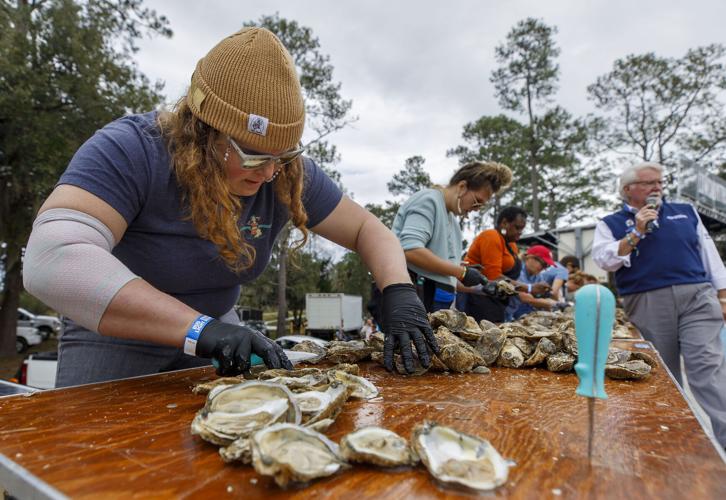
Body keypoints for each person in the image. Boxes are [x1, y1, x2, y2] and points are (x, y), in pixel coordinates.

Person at [22, 27, 438, 384]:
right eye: (254, 155)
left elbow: (369, 229)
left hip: (222, 334)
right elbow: (52, 258)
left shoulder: (285, 173)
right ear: (203, 130)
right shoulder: (131, 150)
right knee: (94, 466)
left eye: (284, 155)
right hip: (117, 336)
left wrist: (398, 290)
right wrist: (198, 329)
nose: (270, 172)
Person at [592, 161, 726, 449]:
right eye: (649, 183)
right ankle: (672, 439)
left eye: (660, 183)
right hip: (648, 299)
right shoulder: (610, 223)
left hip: (698, 296)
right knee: (663, 374)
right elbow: (604, 259)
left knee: (707, 367)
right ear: (628, 190)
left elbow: (708, 252)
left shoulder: (685, 212)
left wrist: (723, 294)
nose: (657, 188)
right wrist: (636, 232)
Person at [391, 161, 513, 313]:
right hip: (410, 297)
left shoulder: (453, 221)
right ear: (462, 187)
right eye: (477, 202)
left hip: (434, 302)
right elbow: (410, 249)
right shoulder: (429, 201)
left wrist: (482, 285)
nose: (476, 210)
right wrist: (461, 272)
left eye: (481, 206)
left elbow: (445, 274)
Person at [463, 207, 550, 322]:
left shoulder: (511, 245)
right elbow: (493, 276)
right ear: (504, 223)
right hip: (479, 299)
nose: (519, 233)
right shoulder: (491, 236)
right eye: (517, 228)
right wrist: (529, 288)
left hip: (497, 301)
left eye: (522, 230)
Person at [507, 246, 559, 320]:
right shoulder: (517, 271)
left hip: (513, 312)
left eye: (546, 266)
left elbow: (542, 296)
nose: (543, 268)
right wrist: (553, 304)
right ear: (529, 257)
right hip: (503, 310)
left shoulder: (538, 276)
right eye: (543, 263)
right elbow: (523, 296)